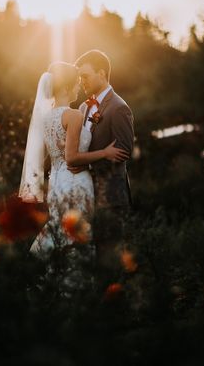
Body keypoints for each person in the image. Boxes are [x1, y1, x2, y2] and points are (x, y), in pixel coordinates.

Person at [20, 61, 128, 294]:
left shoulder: (47, 117)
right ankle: (74, 290)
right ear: (68, 87)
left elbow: (60, 152)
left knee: (61, 228)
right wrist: (105, 153)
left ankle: (50, 282)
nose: (80, 87)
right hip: (75, 180)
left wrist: (66, 146)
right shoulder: (74, 115)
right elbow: (72, 158)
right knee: (78, 233)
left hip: (57, 182)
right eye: (77, 83)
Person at [69, 49, 135, 289]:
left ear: (101, 73)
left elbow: (124, 151)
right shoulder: (85, 108)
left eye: (85, 76)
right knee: (94, 254)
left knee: (112, 256)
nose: (82, 81)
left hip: (111, 195)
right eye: (79, 78)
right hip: (89, 193)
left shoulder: (119, 108)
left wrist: (84, 161)